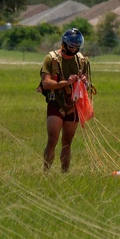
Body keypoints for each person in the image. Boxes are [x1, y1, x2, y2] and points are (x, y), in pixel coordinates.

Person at [39, 27, 92, 172]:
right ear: (64, 43)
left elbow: (87, 84)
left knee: (67, 142)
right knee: (53, 139)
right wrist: (66, 83)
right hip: (56, 103)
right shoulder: (51, 59)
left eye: (77, 46)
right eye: (71, 46)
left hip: (73, 105)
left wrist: (83, 82)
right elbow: (46, 83)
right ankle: (46, 173)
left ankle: (65, 174)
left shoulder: (82, 61)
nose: (74, 49)